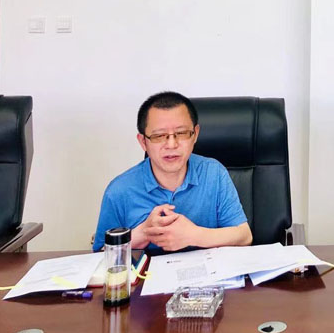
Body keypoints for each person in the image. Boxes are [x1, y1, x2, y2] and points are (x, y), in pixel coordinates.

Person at [92, 91, 252, 252]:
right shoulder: (119, 191)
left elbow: (244, 236)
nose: (171, 145)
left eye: (181, 133)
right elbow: (100, 255)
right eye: (159, 136)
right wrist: (143, 233)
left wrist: (194, 235)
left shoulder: (214, 173)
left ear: (195, 134)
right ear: (143, 142)